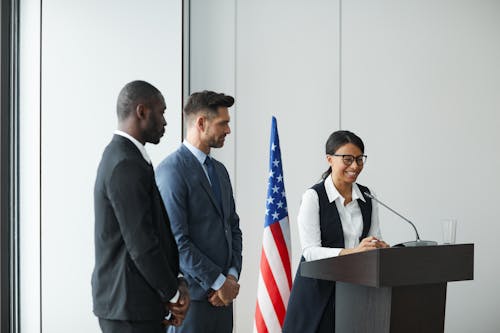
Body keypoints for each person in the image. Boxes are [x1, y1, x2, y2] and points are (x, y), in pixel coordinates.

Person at [92, 80, 190, 333]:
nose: (166, 121)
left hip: (136, 304)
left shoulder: (127, 157)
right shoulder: (125, 162)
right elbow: (142, 244)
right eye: (162, 111)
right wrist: (172, 293)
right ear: (142, 111)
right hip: (128, 308)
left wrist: (172, 286)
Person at [282, 130, 389, 333]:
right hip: (318, 292)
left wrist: (379, 246)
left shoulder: (368, 196)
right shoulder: (313, 197)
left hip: (356, 289)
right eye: (347, 160)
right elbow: (310, 251)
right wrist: (353, 252)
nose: (355, 166)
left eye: (359, 159)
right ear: (329, 159)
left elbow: (373, 238)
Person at [155, 90, 243, 333]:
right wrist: (218, 282)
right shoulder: (171, 171)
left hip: (223, 302)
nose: (228, 130)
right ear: (201, 123)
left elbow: (233, 227)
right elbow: (177, 242)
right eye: (223, 123)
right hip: (191, 304)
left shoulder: (221, 171)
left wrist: (231, 278)